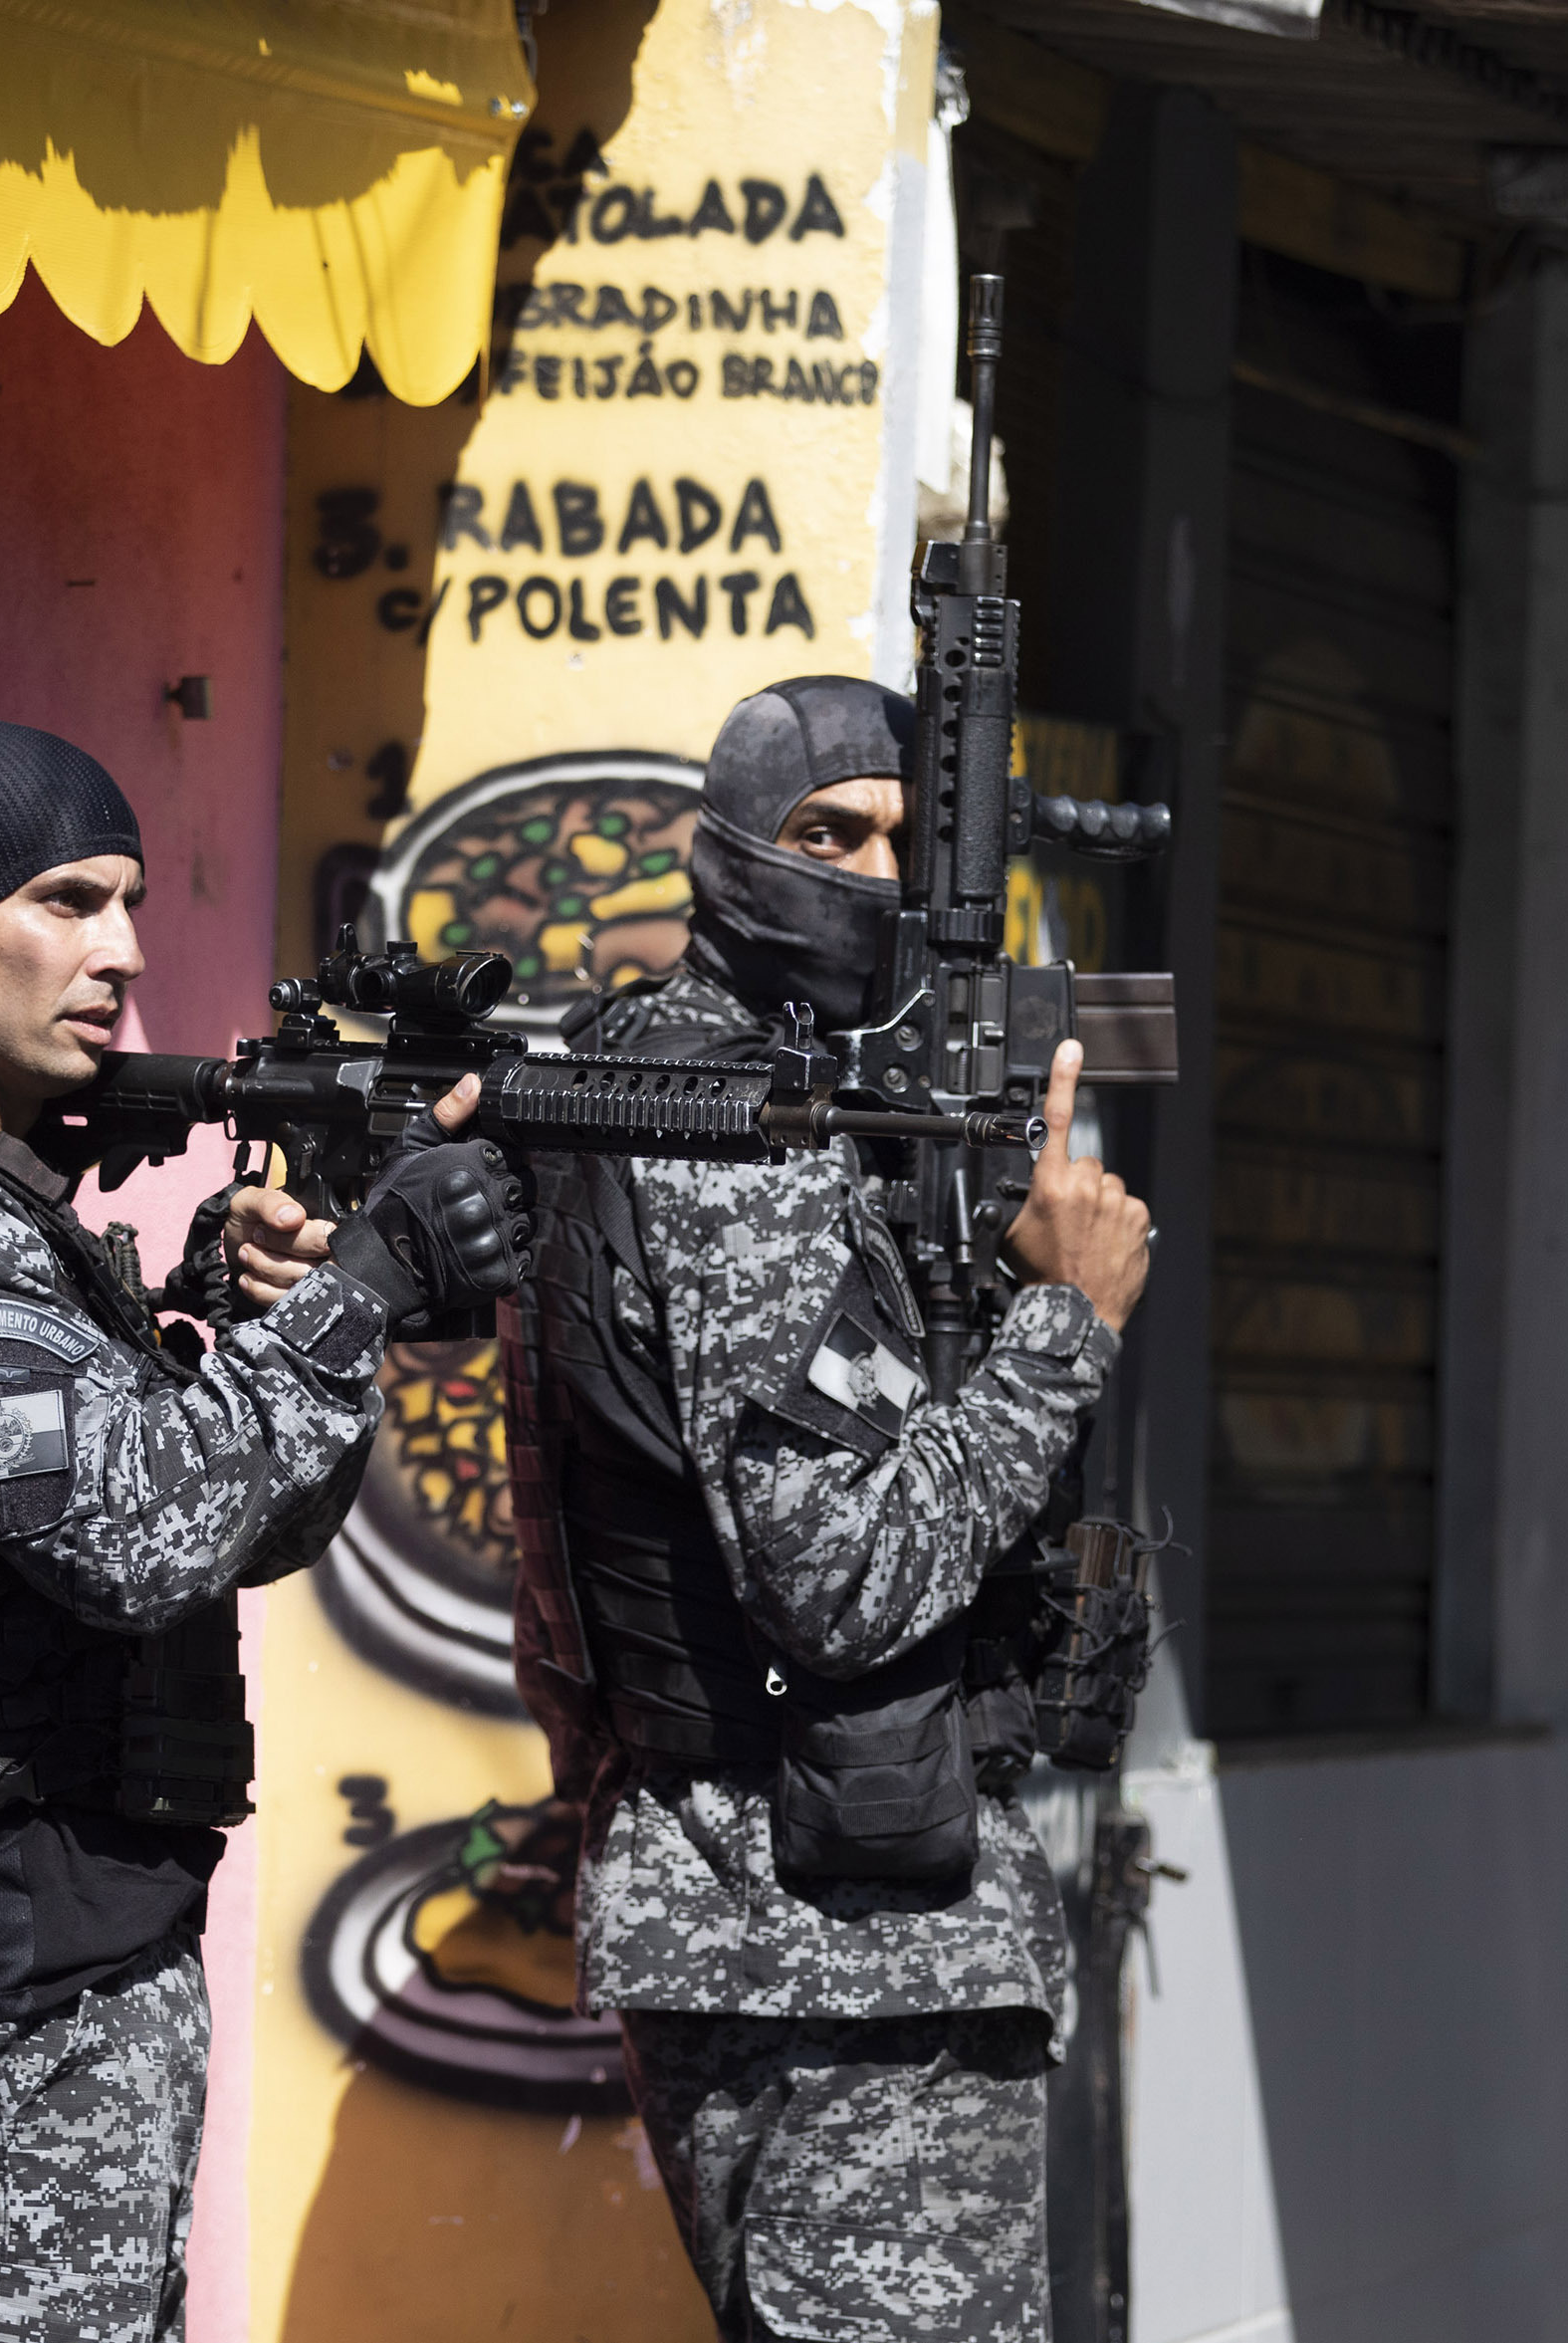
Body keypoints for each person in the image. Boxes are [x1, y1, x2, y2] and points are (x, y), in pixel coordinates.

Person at [0, 718, 530, 2341]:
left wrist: (263, 1315)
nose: (126, 949)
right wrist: (367, 1285)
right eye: (67, 900)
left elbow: (215, 1525)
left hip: (57, 1971)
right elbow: (138, 1540)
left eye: (132, 900)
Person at [474, 674, 1149, 2341]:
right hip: (853, 1962)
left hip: (761, 1917)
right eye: (822, 832)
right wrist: (1068, 1324)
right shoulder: (739, 1129)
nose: (865, 873)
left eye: (909, 844)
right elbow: (837, 1575)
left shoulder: (654, 1078)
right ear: (727, 854)